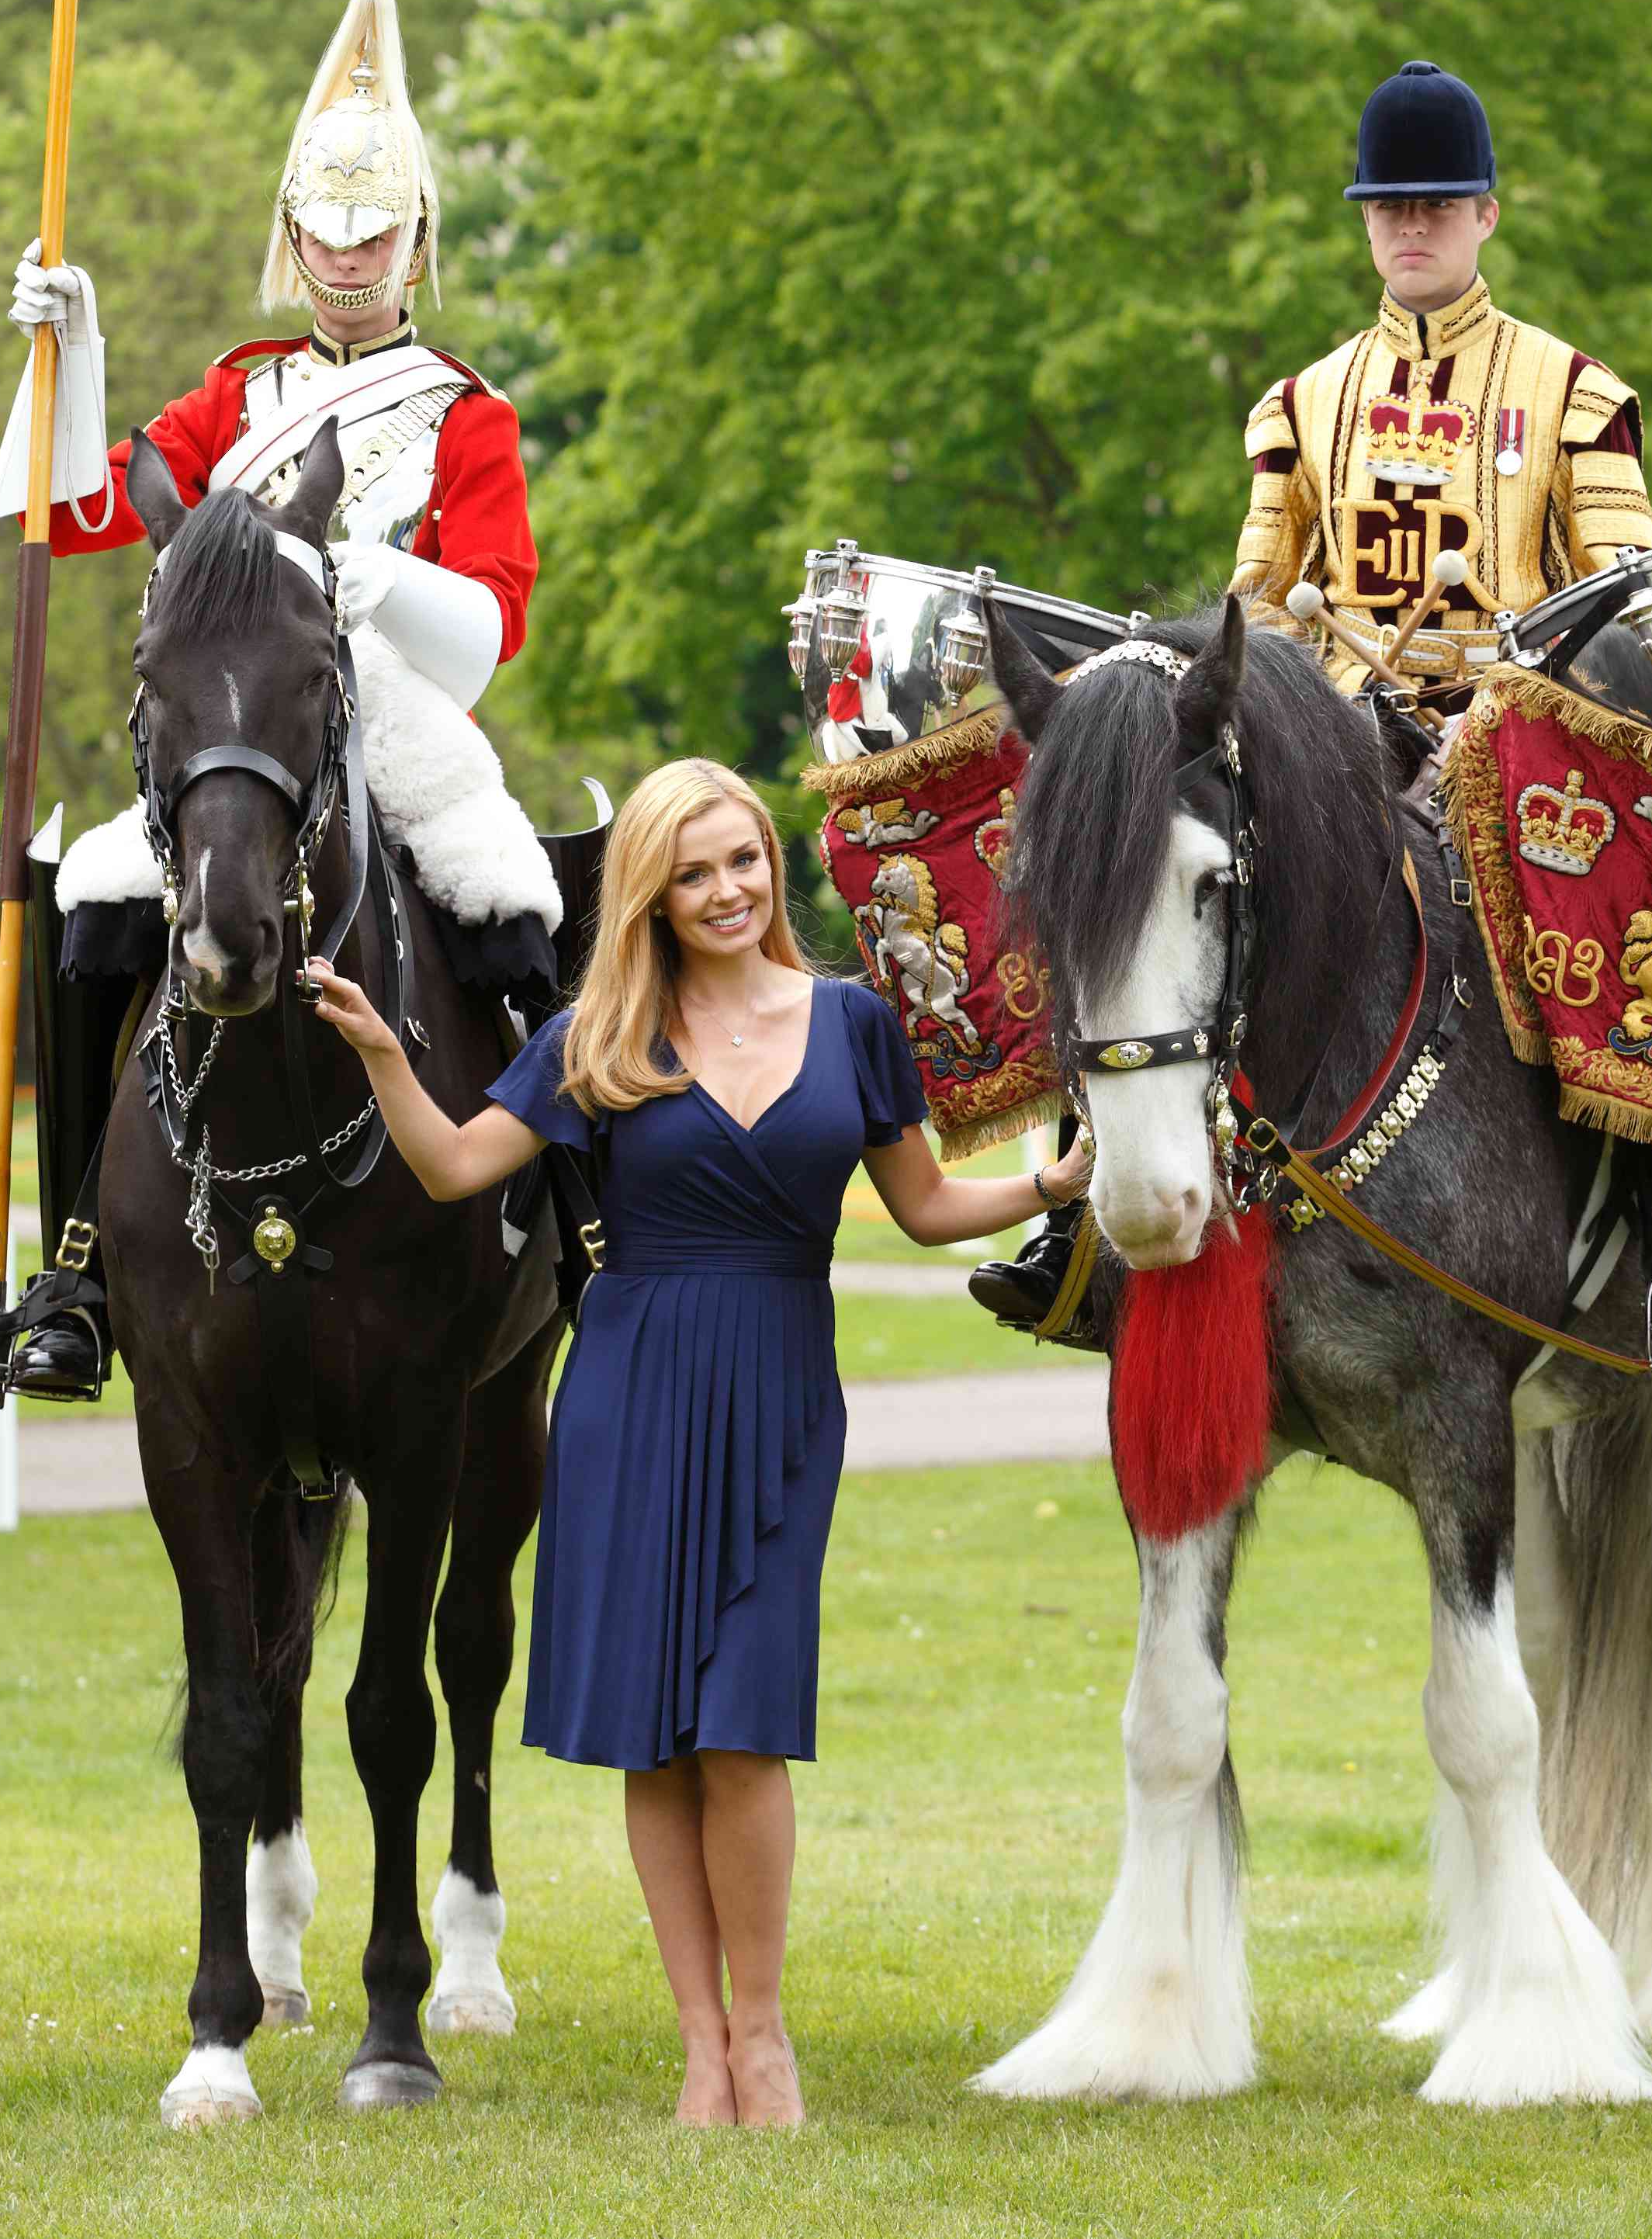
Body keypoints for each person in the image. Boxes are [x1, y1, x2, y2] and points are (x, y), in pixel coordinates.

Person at [307, 757, 1092, 2127]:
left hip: (781, 1386)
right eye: (693, 870)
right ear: (651, 893)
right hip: (626, 1386)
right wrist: (383, 1051)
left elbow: (916, 1204)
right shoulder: (595, 1036)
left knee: (743, 1723)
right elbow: (448, 1165)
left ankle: (766, 2033)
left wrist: (1045, 1181)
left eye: (742, 860)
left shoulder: (852, 1022)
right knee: (653, 1732)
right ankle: (699, 2047)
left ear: (767, 869)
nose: (725, 889)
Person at [971, 60, 1652, 1370]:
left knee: (1610, 898)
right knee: (1142, 881)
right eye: (1388, 203)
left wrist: (1507, 694)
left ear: (1487, 213)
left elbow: (1626, 605)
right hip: (1330, 738)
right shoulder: (1299, 403)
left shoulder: (1576, 394)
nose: (1412, 223)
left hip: (1513, 738)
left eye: (1439, 201)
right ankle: (1082, 1222)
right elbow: (1251, 598)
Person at [0, 0, 550, 1399]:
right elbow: (83, 508)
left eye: (377, 238)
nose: (351, 262)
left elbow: (492, 620)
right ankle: (74, 1259)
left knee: (518, 891)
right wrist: (77, 352)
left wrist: (384, 581)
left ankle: (571, 1216)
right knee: (100, 891)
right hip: (242, 726)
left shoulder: (465, 416)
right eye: (328, 234)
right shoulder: (238, 392)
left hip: (400, 723)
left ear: (414, 245)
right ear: (294, 240)